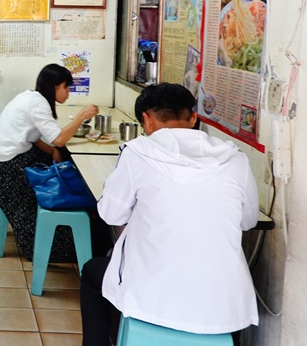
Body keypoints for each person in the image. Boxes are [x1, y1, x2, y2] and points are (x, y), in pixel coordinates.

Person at [80, 83, 259, 345]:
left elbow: (111, 214)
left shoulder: (137, 154)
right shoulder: (236, 159)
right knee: (220, 306)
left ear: (146, 120)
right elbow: (248, 221)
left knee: (93, 272)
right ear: (194, 117)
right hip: (221, 306)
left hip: (152, 300)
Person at [0, 63, 98, 261]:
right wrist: (81, 116)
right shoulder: (37, 103)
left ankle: (78, 208)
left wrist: (52, 150)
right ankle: (70, 228)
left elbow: (32, 137)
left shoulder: (31, 97)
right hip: (9, 168)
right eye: (66, 87)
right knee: (66, 165)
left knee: (61, 157)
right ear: (54, 86)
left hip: (8, 158)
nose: (68, 93)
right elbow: (58, 138)